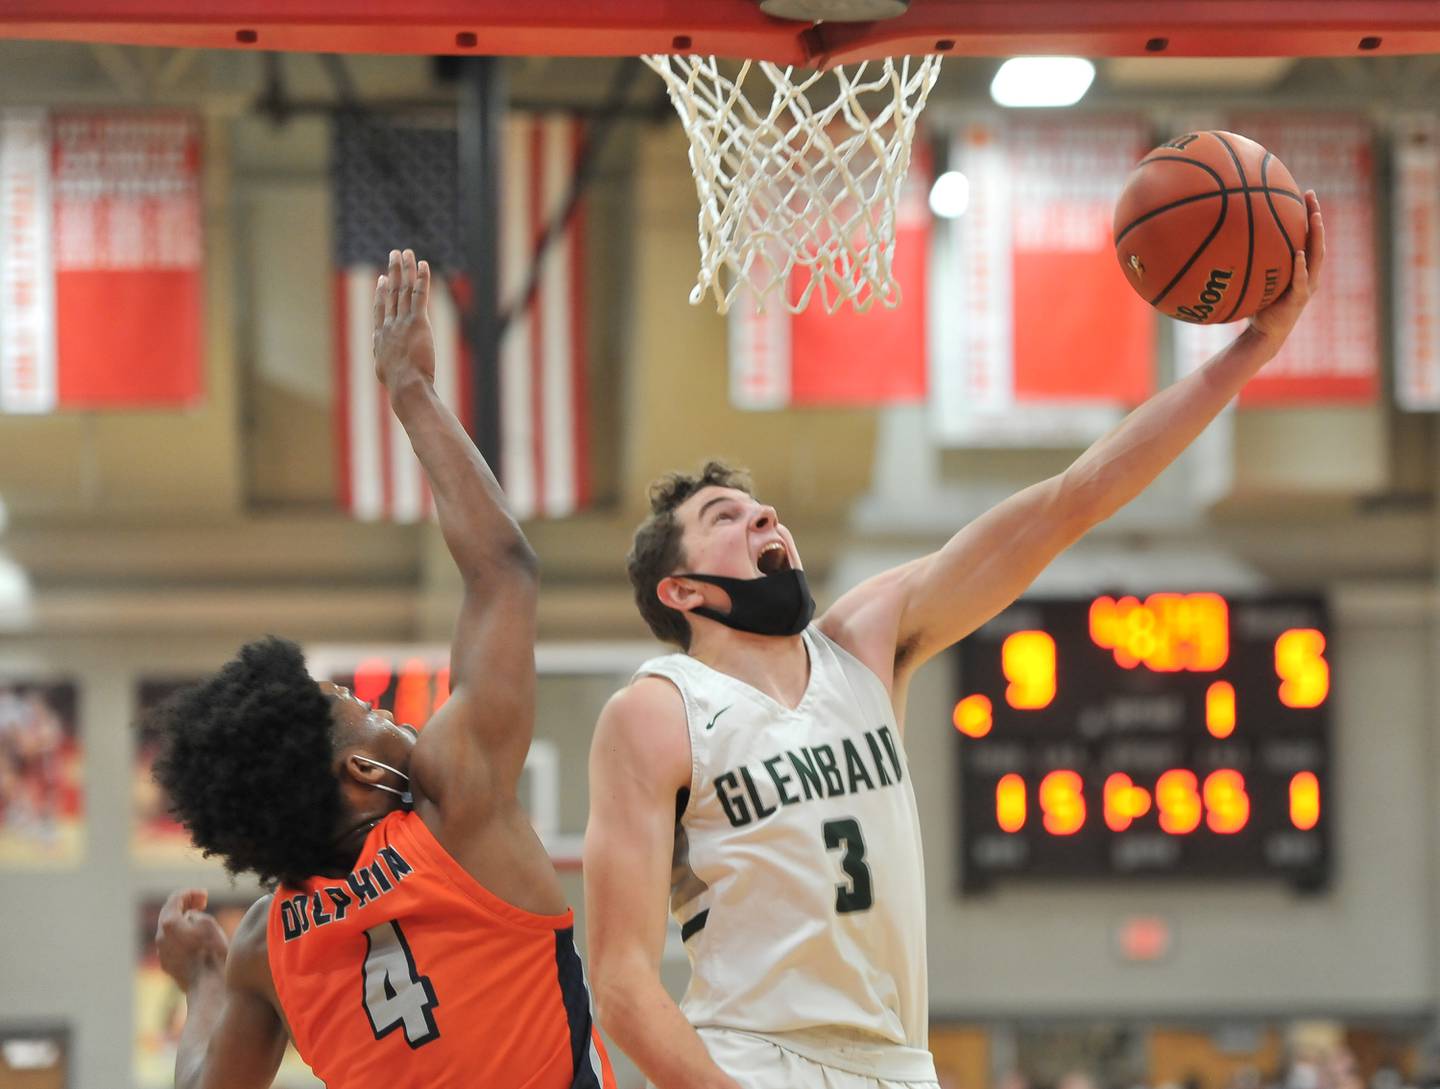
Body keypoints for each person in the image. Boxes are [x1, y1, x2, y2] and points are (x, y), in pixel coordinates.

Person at [585, 196, 1326, 1089]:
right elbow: (621, 978)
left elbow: (1073, 498)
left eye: (760, 506)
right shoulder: (658, 711)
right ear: (684, 590)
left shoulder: (863, 640)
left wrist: (1251, 351)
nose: (764, 516)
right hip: (753, 1058)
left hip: (900, 1064)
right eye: (725, 517)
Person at [150, 249, 614, 1089]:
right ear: (361, 770)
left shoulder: (263, 946)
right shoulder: (452, 807)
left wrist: (204, 983)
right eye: (356, 702)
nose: (380, 704)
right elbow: (504, 569)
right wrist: (412, 392)